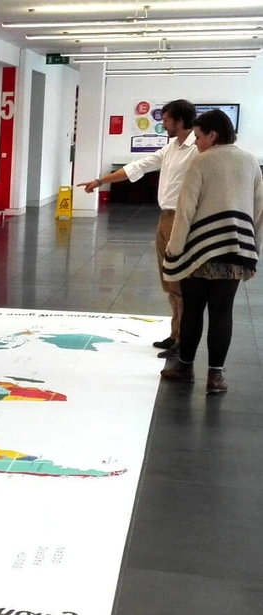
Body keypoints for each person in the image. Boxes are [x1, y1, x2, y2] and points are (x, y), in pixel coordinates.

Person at [78, 99, 198, 358]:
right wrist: (100, 181)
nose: (163, 124)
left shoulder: (197, 149)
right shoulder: (171, 148)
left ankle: (183, 340)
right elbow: (139, 167)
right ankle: (175, 334)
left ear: (179, 121)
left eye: (166, 119)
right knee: (169, 281)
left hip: (183, 219)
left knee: (181, 282)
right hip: (165, 218)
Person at [160, 109, 263, 394]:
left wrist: (174, 251)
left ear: (213, 135)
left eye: (198, 137)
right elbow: (259, 212)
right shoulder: (251, 162)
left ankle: (185, 369)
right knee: (222, 312)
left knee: (193, 309)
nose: (195, 143)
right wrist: (254, 252)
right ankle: (215, 377)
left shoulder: (200, 162)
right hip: (236, 250)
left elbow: (185, 211)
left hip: (199, 252)